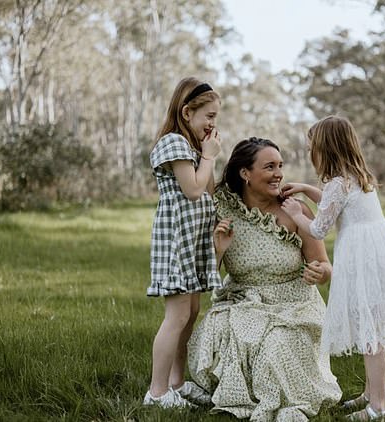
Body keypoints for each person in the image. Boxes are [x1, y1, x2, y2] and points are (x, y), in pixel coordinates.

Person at [280, 115, 385, 421]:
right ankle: (371, 393)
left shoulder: (338, 184)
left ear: (325, 149)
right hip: (379, 250)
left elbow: (319, 228)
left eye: (313, 147)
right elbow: (335, 204)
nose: (312, 152)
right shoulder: (358, 177)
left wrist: (296, 213)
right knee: (370, 327)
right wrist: (308, 190)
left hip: (362, 256)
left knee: (370, 331)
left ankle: (379, 408)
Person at [187, 137, 342, 421]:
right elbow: (207, 277)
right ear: (245, 173)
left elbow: (324, 266)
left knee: (277, 344)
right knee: (224, 331)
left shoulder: (295, 209)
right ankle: (238, 392)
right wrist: (218, 250)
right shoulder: (223, 210)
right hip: (242, 300)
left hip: (294, 303)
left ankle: (285, 402)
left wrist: (321, 272)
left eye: (280, 166)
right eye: (269, 167)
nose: (279, 174)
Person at [143, 77, 224, 409]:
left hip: (194, 241)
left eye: (215, 117)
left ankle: (176, 383)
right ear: (187, 111)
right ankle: (157, 392)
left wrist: (209, 157)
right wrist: (207, 157)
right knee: (176, 317)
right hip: (177, 242)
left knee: (190, 312)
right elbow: (192, 189)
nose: (212, 123)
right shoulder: (173, 142)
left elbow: (209, 189)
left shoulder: (192, 147)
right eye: (209, 115)